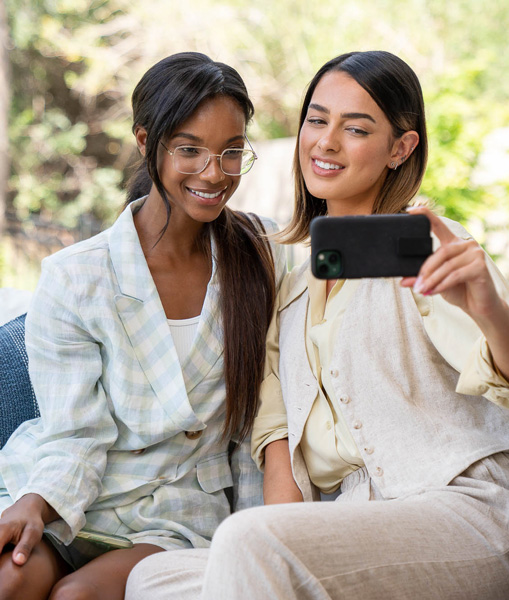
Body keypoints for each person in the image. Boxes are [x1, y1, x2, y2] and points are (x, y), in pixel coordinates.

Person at [125, 50, 509, 600]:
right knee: (154, 577)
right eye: (317, 119)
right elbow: (279, 450)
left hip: (469, 511)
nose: (326, 142)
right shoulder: (288, 292)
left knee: (249, 542)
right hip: (361, 527)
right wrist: (274, 546)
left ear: (400, 148)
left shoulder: (428, 246)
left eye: (355, 128)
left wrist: (487, 308)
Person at [0, 51, 285, 600]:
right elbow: (75, 434)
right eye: (189, 150)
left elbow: (261, 414)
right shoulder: (75, 277)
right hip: (77, 491)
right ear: (144, 140)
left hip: (180, 508)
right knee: (10, 579)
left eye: (231, 153)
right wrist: (36, 502)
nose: (214, 173)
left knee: (75, 597)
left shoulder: (262, 255)